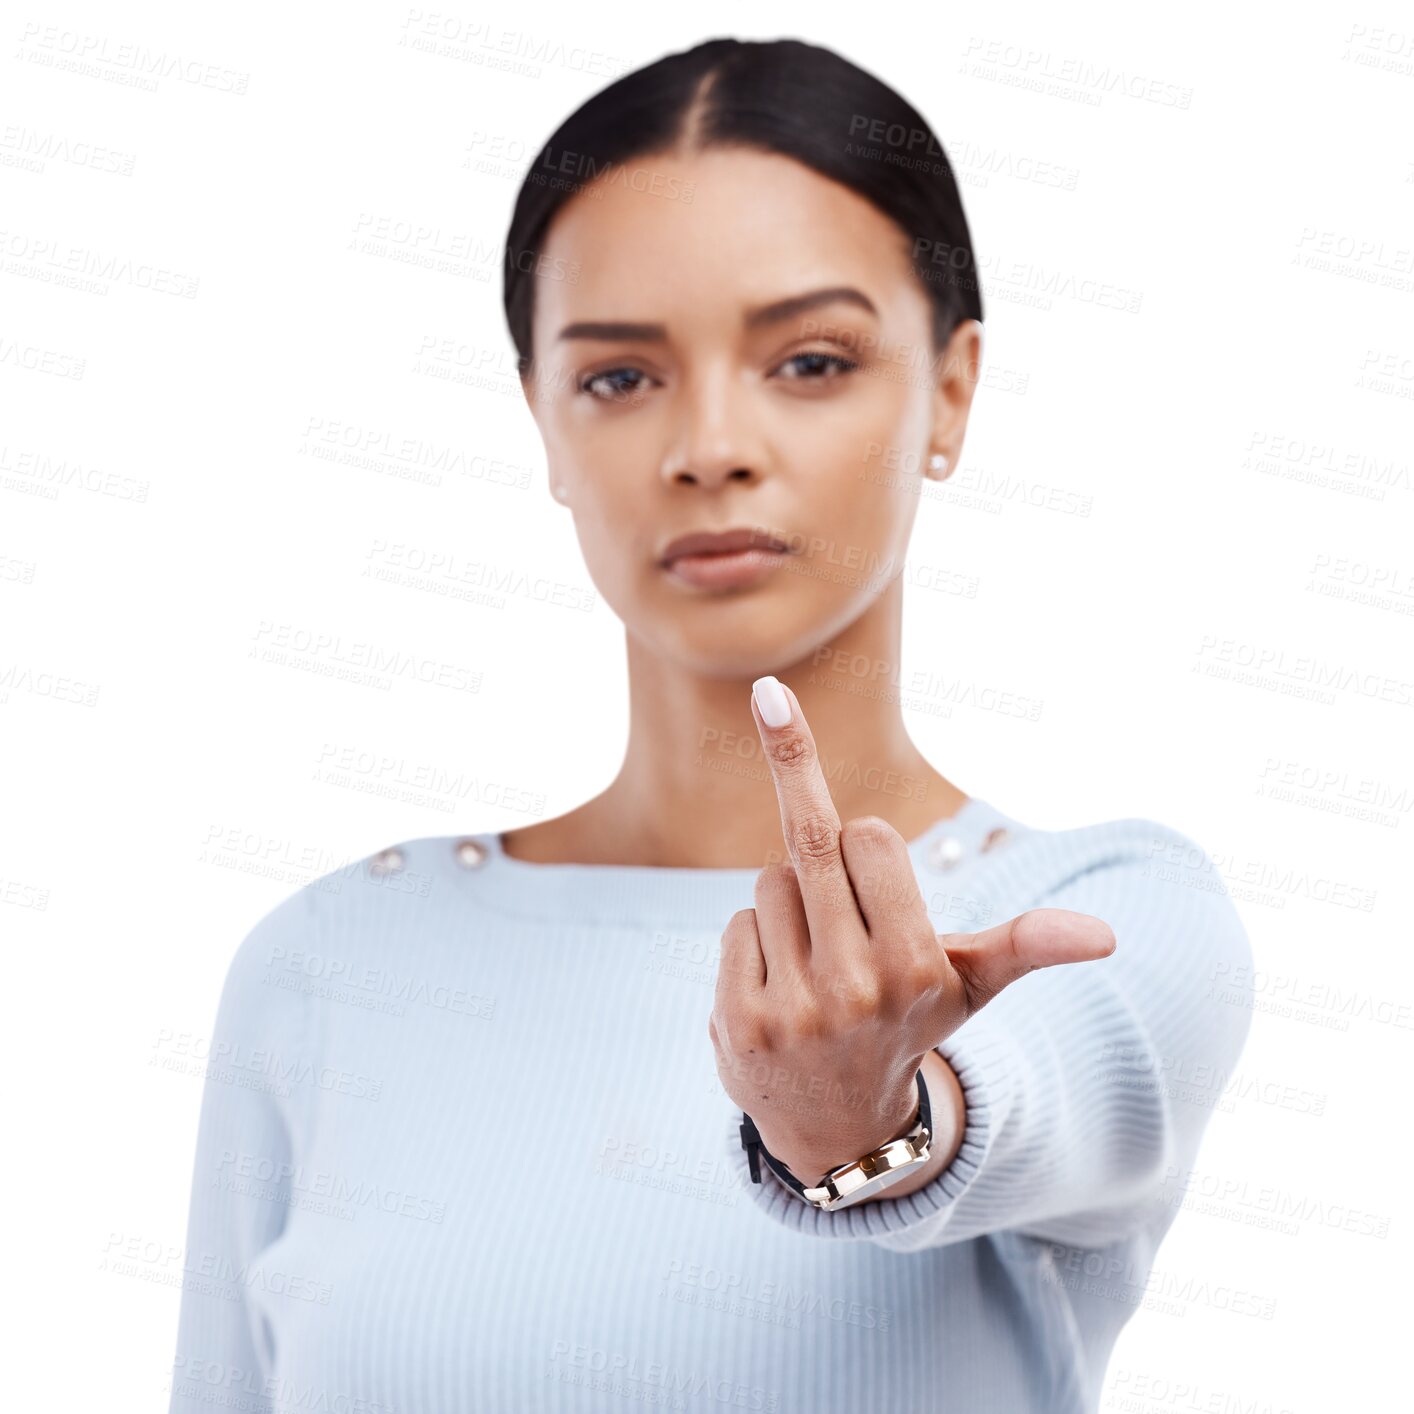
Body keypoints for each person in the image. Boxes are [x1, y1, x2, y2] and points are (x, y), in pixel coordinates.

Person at [166, 36, 1254, 1414]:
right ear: (543, 424)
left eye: (808, 358)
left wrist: (870, 1120)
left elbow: (1035, 1094)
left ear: (952, 389)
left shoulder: (1084, 920)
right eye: (620, 377)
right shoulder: (329, 962)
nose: (710, 444)